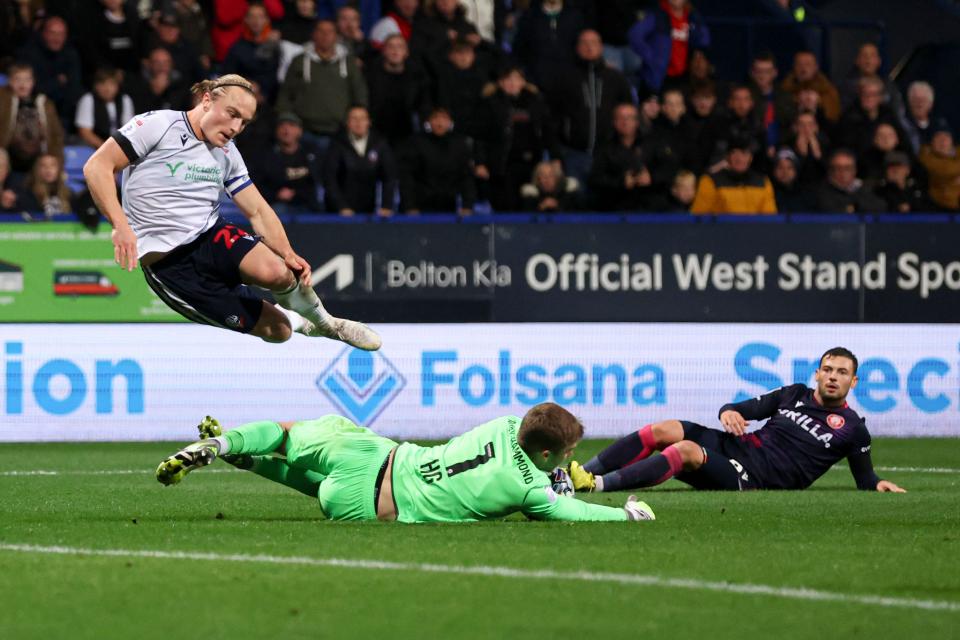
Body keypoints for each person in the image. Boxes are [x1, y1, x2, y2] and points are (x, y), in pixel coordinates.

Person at [82, 74, 381, 350]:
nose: (236, 128)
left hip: (209, 235)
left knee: (279, 272)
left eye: (245, 122)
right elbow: (97, 166)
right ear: (207, 100)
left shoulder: (228, 152)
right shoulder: (158, 125)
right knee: (279, 332)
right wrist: (120, 224)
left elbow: (258, 210)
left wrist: (288, 252)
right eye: (233, 114)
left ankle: (327, 323)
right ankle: (303, 324)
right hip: (171, 268)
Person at [155, 402, 656, 523]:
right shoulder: (528, 490)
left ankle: (228, 445)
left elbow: (537, 446)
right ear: (546, 455)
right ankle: (244, 460)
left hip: (381, 453)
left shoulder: (507, 424)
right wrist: (625, 514)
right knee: (312, 487)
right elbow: (571, 511)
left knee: (287, 437)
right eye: (565, 455)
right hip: (374, 503)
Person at [568, 347, 906, 494]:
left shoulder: (852, 428)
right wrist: (728, 413)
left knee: (686, 449)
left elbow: (865, 477)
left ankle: (596, 487)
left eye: (842, 373)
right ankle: (579, 474)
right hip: (739, 447)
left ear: (854, 381)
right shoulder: (793, 393)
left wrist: (877, 485)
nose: (833, 377)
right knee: (665, 428)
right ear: (817, 373)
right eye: (828, 370)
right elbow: (738, 408)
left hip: (756, 477)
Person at [0, 62, 65, 174]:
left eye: (27, 80)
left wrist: (57, 161)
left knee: (50, 165)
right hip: (8, 155)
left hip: (38, 158)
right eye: (17, 79)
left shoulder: (45, 103)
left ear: (33, 82)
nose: (22, 84)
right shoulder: (2, 99)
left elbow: (56, 134)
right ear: (9, 81)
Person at [690, 138, 777, 215]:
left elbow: (769, 219)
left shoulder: (763, 182)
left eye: (744, 153)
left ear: (751, 157)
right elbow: (698, 218)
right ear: (727, 156)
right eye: (735, 153)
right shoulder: (710, 181)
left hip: (754, 232)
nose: (740, 158)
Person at [74, 68, 136, 149]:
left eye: (111, 84)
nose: (107, 89)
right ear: (96, 86)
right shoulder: (88, 99)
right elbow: (85, 132)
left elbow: (129, 129)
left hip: (120, 147)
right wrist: (105, 148)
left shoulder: (125, 100)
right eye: (103, 84)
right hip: (94, 148)